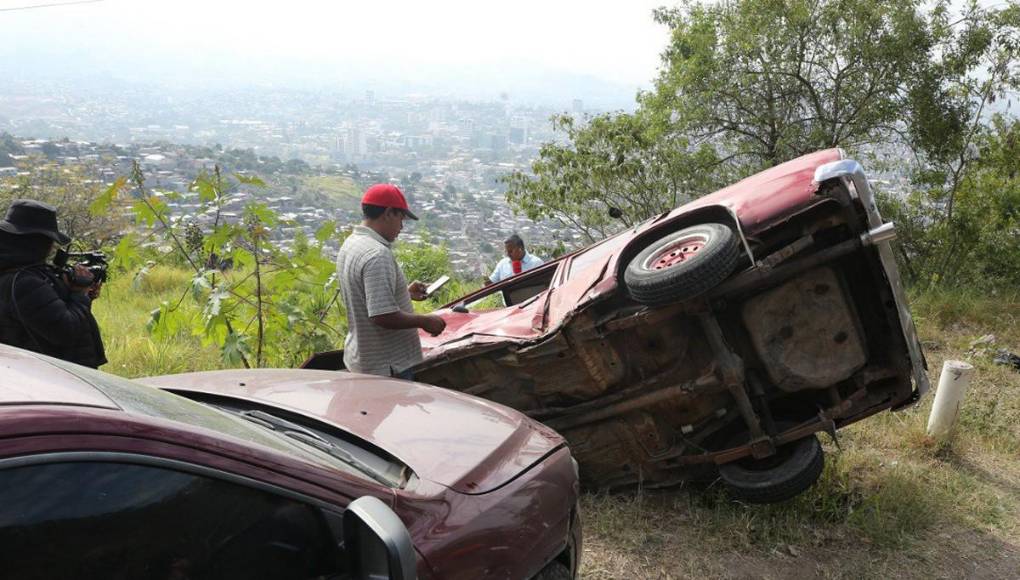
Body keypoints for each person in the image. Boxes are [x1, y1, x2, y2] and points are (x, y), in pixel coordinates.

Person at [336, 184, 446, 379]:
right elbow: (382, 315)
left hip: (362, 358)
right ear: (388, 213)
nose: (401, 227)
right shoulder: (377, 254)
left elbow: (366, 297)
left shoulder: (352, 244)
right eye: (401, 219)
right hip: (387, 366)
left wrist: (403, 292)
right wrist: (425, 321)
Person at [0, 199, 106, 368]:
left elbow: (48, 318)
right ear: (38, 242)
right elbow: (66, 332)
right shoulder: (26, 282)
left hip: (32, 372)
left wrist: (81, 295)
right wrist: (79, 295)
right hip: (57, 377)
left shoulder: (16, 272)